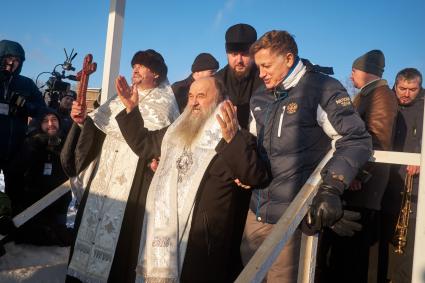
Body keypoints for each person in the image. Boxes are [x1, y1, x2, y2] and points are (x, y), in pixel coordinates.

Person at [241, 30, 372, 282]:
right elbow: (253, 145)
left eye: (266, 65)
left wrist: (332, 187)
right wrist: (243, 169)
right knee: (250, 275)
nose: (261, 74)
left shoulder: (321, 88)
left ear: (289, 59)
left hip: (293, 215)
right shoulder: (259, 96)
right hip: (256, 211)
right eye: (258, 67)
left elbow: (355, 139)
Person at [115, 76, 270, 282]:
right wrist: (131, 109)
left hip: (202, 242)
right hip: (165, 234)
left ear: (220, 100)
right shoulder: (175, 132)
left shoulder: (236, 136)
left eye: (201, 96)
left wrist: (233, 141)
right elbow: (145, 144)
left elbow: (254, 175)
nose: (194, 102)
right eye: (190, 96)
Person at [61, 49, 180, 283]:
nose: (135, 68)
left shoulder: (164, 104)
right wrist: (82, 121)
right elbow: (96, 129)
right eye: (134, 64)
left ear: (155, 74)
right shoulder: (118, 97)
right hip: (103, 177)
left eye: (142, 66)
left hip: (133, 182)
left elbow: (156, 146)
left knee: (121, 242)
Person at [378, 68, 423, 283]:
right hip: (383, 184)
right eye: (402, 89)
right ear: (395, 85)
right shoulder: (385, 101)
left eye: (412, 90)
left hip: (413, 187)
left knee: (407, 244)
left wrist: (420, 158)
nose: (406, 94)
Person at [6, 108, 73, 246]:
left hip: (59, 204)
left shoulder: (66, 144)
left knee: (61, 237)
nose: (50, 124)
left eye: (54, 120)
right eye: (45, 121)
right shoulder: (29, 144)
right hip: (31, 206)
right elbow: (14, 176)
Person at [0, 39, 46, 203]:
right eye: (9, 57)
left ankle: (13, 226)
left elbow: (42, 110)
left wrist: (25, 105)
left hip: (16, 150)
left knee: (16, 194)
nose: (13, 62)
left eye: (17, 59)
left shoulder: (26, 83)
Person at [216, 23, 263, 129]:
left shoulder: (265, 78)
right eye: (234, 54)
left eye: (245, 54)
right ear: (227, 54)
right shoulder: (217, 81)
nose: (239, 60)